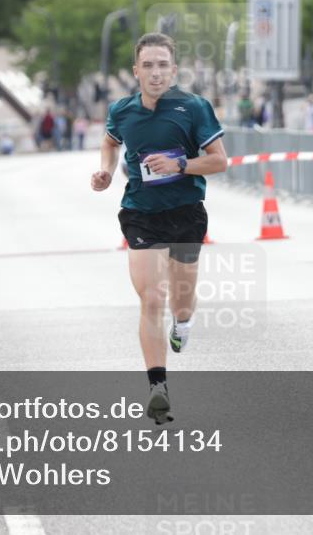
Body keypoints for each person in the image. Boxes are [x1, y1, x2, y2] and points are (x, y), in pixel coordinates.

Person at [90, 33, 227, 425]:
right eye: (148, 65)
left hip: (186, 212)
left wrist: (180, 165)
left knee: (180, 302)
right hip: (141, 213)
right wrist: (106, 171)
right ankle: (157, 387)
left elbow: (220, 161)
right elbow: (110, 143)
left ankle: (183, 323)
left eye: (162, 65)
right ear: (136, 70)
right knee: (151, 297)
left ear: (173, 70)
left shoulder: (194, 108)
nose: (155, 73)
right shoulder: (122, 111)